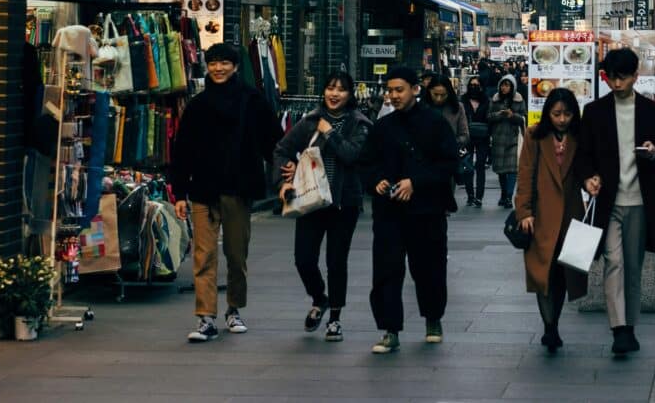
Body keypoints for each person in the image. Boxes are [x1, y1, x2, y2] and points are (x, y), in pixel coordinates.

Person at [170, 43, 280, 343]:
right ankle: (205, 317)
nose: (218, 68)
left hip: (238, 187)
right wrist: (179, 191)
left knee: (235, 253)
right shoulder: (198, 104)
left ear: (235, 66)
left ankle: (233, 309)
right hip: (202, 189)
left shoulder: (252, 100)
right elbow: (182, 151)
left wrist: (285, 173)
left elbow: (273, 139)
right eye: (213, 63)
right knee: (203, 255)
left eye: (224, 63)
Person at [573, 48, 655, 357]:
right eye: (611, 78)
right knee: (614, 262)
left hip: (642, 202)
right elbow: (583, 155)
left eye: (623, 78)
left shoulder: (652, 112)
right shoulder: (594, 111)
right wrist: (588, 178)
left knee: (633, 265)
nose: (617, 84)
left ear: (635, 76)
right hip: (608, 202)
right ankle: (619, 329)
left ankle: (629, 325)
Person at [363, 66, 459, 354]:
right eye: (389, 90)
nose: (393, 96)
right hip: (389, 211)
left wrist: (415, 182)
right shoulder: (382, 126)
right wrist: (376, 181)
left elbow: (448, 163)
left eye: (399, 90)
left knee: (428, 267)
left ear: (416, 89)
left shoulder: (435, 123)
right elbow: (366, 162)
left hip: (426, 210)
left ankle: (433, 319)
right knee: (387, 270)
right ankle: (390, 330)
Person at [273, 71, 372, 343]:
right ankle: (320, 298)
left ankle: (335, 319)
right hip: (310, 200)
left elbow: (352, 156)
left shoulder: (359, 123)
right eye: (330, 88)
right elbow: (282, 149)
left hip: (344, 203)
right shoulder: (309, 122)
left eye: (341, 90)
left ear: (350, 95)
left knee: (336, 261)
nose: (334, 94)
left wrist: (329, 134)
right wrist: (283, 180)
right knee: (303, 258)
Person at [514, 88, 588, 353]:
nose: (562, 119)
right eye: (556, 114)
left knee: (562, 274)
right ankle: (549, 326)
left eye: (567, 114)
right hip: (540, 215)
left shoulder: (580, 137)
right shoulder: (535, 135)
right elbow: (524, 175)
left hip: (571, 214)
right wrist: (523, 212)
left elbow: (587, 170)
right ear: (548, 113)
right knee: (542, 273)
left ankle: (553, 322)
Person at [488, 76, 527, 208]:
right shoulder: (495, 99)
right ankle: (504, 194)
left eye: (507, 85)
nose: (504, 88)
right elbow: (488, 117)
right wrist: (500, 114)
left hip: (513, 137)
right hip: (498, 138)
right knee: (501, 171)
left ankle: (509, 197)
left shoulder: (519, 99)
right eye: (502, 85)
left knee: (512, 169)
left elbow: (523, 118)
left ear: (513, 87)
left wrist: (512, 116)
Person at [461, 76, 491, 208]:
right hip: (467, 136)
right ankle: (470, 195)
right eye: (472, 85)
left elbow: (489, 118)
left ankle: (479, 196)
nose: (474, 87)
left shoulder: (486, 100)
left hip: (482, 136)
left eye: (477, 85)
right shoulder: (463, 100)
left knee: (480, 166)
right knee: (467, 166)